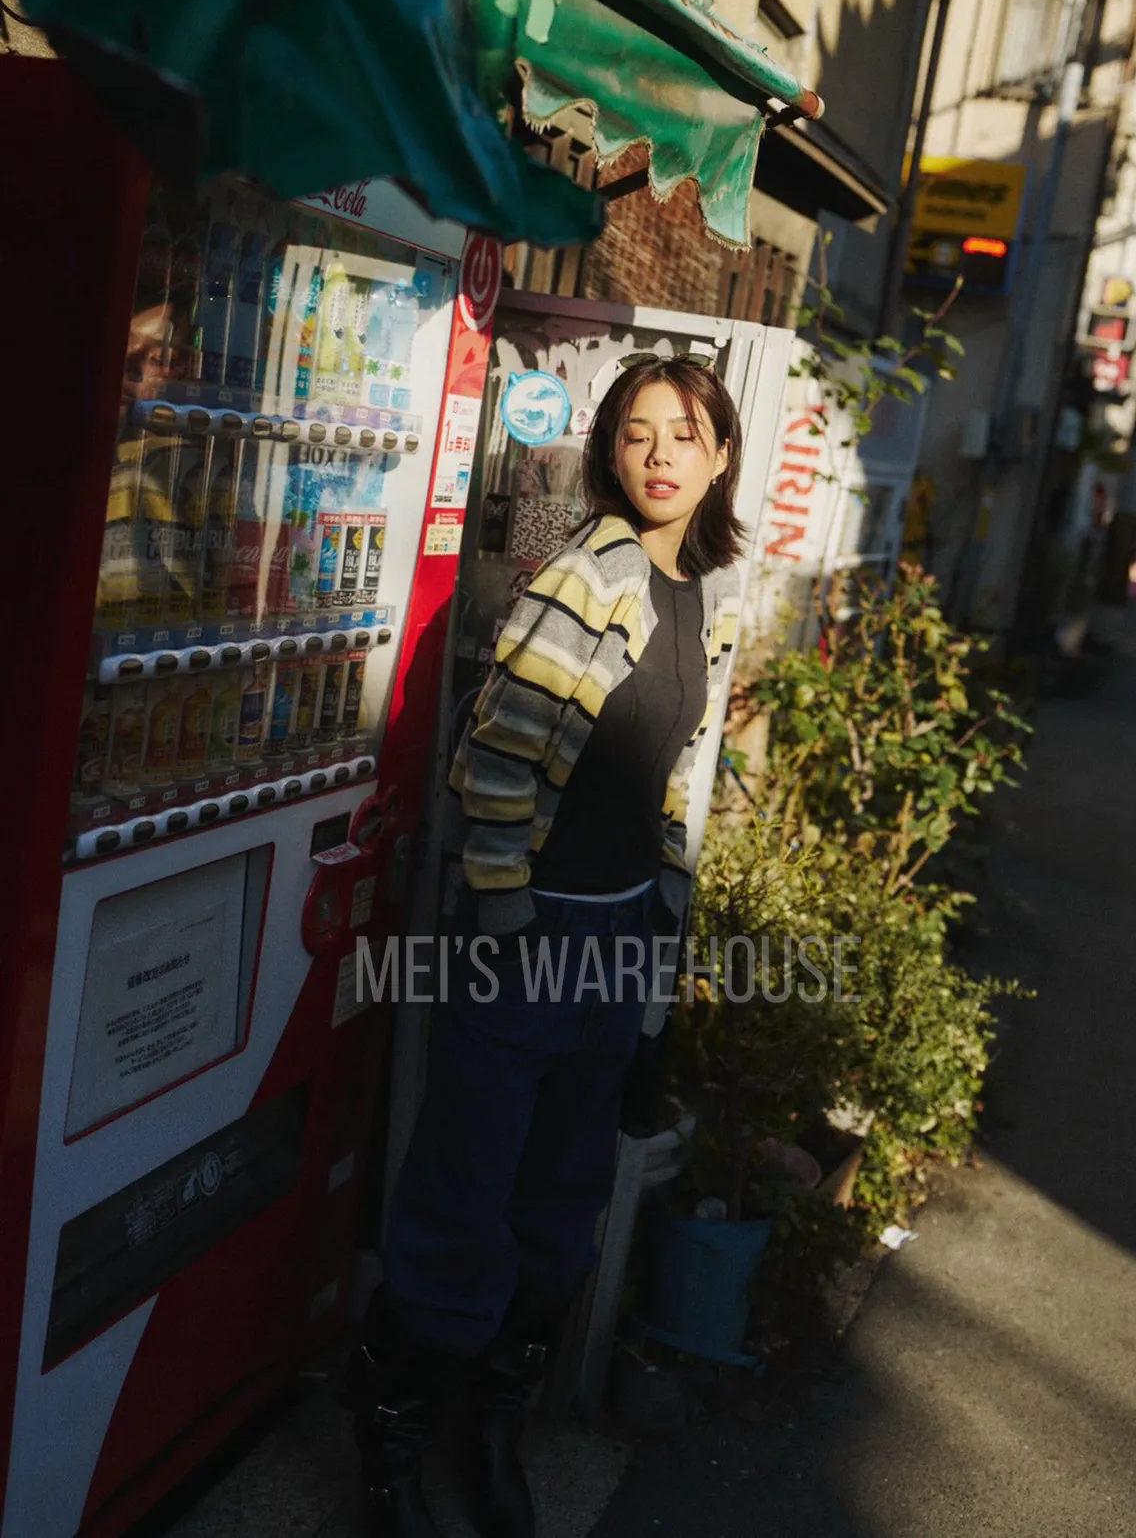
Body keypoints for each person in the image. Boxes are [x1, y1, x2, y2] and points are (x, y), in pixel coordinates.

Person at [345, 357, 746, 1538]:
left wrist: (657, 950)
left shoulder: (707, 593)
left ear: (721, 455)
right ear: (610, 453)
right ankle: (388, 1447)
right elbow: (497, 753)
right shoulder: (590, 573)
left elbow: (669, 786)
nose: (661, 454)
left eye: (685, 434)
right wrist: (510, 914)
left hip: (618, 938)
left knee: (563, 1200)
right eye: (638, 433)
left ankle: (491, 1426)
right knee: (463, 1190)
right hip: (529, 933)